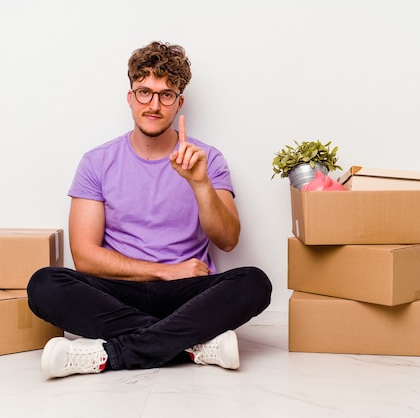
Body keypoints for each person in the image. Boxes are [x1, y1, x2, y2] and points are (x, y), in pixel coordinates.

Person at [27, 41, 272, 378]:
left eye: (166, 94)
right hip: (120, 290)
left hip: (186, 293)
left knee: (254, 283)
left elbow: (228, 240)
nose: (154, 104)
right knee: (44, 284)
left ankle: (108, 355)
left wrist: (200, 184)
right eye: (144, 92)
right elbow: (84, 255)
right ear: (130, 98)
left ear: (179, 102)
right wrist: (164, 270)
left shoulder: (207, 159)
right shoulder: (97, 162)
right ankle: (191, 344)